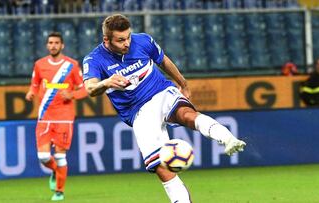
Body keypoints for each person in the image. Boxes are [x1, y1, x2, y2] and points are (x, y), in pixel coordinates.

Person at [82, 14, 246, 203]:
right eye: (120, 40)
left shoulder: (142, 40)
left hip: (160, 91)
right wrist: (107, 82)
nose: (127, 43)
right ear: (106, 40)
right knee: (161, 167)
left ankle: (227, 138)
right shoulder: (94, 59)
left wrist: (183, 83)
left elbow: (163, 60)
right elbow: (90, 88)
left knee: (186, 114)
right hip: (138, 112)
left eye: (128, 37)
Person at [25, 32, 87, 201]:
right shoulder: (39, 65)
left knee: (60, 156)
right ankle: (55, 171)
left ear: (62, 45)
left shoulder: (72, 65)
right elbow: (35, 84)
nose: (53, 45)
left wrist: (72, 94)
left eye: (56, 43)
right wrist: (31, 92)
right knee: (43, 157)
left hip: (64, 117)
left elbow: (84, 89)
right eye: (50, 43)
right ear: (47, 45)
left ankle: (59, 191)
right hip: (45, 116)